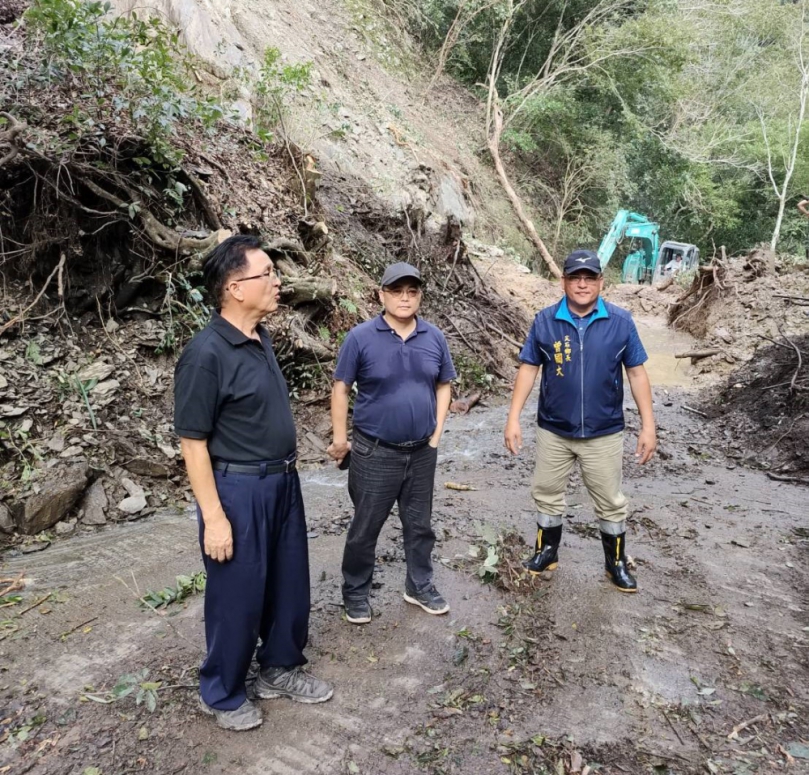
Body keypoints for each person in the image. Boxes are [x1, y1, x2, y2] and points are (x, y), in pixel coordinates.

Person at [174, 235, 332, 731]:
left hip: (282, 482)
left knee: (288, 583)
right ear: (235, 288)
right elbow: (193, 443)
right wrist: (215, 518)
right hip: (237, 491)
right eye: (267, 273)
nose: (278, 281)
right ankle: (220, 692)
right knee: (237, 593)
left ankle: (280, 667)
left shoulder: (258, 338)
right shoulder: (206, 354)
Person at [503, 249, 656, 593]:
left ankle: (615, 562)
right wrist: (513, 418)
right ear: (564, 282)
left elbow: (636, 372)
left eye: (590, 278)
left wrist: (648, 425)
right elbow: (529, 368)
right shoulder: (544, 320)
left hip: (603, 432)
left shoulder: (621, 321)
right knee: (546, 493)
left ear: (601, 282)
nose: (582, 284)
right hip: (554, 429)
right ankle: (546, 552)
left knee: (610, 500)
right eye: (575, 277)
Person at [327, 262, 456, 624]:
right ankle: (355, 592)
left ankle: (419, 585)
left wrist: (437, 432)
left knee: (420, 525)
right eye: (397, 291)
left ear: (419, 296)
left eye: (412, 291)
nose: (404, 298)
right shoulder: (361, 337)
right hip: (374, 451)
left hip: (421, 452)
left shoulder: (434, 337)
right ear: (381, 294)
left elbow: (444, 383)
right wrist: (340, 438)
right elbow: (341, 387)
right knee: (365, 526)